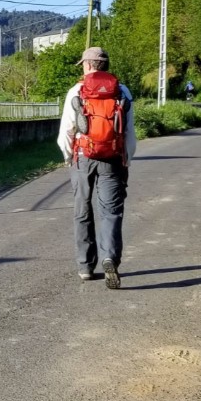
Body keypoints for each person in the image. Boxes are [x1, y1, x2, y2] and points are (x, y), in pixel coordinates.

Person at [57, 46, 136, 289]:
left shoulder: (77, 90)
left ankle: (85, 267)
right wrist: (126, 158)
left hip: (83, 158)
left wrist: (69, 156)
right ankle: (110, 257)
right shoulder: (122, 91)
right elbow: (129, 134)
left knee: (82, 211)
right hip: (112, 158)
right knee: (111, 212)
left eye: (83, 63)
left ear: (89, 65)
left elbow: (66, 133)